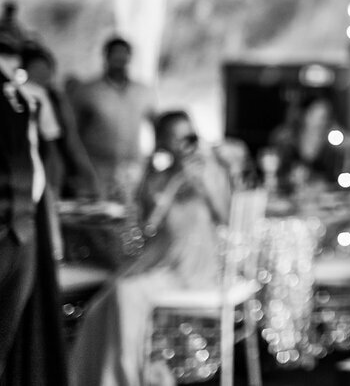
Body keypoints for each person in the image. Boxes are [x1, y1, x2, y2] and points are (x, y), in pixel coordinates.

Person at [70, 110, 230, 386]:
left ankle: (124, 379)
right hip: (161, 262)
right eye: (175, 138)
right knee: (101, 305)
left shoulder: (211, 171)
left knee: (125, 293)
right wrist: (174, 179)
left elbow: (226, 216)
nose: (184, 144)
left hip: (196, 267)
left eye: (188, 136)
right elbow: (148, 225)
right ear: (164, 142)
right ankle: (108, 376)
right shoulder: (156, 179)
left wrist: (206, 182)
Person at [0, 33, 68, 386]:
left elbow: (42, 163)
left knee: (10, 330)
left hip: (25, 222)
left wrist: (50, 227)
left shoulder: (26, 100)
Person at [70, 36, 157, 202]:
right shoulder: (88, 91)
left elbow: (156, 125)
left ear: (129, 58)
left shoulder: (144, 92)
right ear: (106, 56)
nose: (119, 59)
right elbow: (73, 131)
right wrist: (78, 166)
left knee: (132, 217)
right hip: (97, 168)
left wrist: (154, 159)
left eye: (123, 55)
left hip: (133, 168)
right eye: (115, 54)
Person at [21, 41, 99, 199]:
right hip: (34, 168)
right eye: (37, 68)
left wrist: (87, 175)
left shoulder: (55, 98)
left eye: (46, 68)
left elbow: (70, 139)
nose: (43, 73)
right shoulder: (25, 94)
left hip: (53, 168)